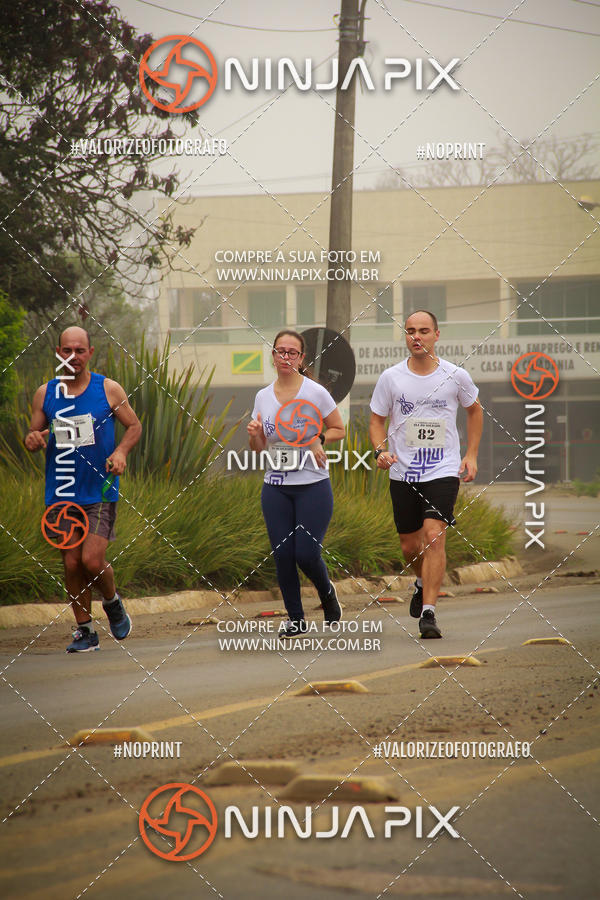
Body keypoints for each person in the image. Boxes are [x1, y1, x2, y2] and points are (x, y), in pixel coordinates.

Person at [24, 326, 142, 652]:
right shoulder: (45, 394)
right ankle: (85, 631)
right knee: (72, 563)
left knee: (91, 560)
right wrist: (32, 440)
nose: (73, 356)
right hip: (62, 493)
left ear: (90, 353)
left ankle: (112, 601)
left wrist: (121, 452)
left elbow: (134, 425)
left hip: (100, 491)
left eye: (80, 350)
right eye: (67, 350)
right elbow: (34, 436)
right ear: (59, 353)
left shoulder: (108, 389)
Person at [369, 310, 483, 639]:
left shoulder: (455, 375)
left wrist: (471, 455)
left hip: (442, 468)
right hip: (403, 470)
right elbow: (376, 421)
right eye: (410, 331)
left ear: (436, 335)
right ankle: (420, 581)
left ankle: (429, 613)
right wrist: (380, 451)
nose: (416, 337)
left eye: (423, 331)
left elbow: (475, 411)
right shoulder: (391, 378)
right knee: (409, 546)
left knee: (434, 535)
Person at [248, 329, 346, 637]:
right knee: (282, 554)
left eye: (292, 352)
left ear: (301, 358)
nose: (286, 357)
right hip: (276, 485)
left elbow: (339, 428)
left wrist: (318, 439)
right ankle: (296, 618)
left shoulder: (315, 392)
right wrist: (255, 435)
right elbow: (259, 448)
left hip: (312, 485)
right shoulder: (262, 397)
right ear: (273, 355)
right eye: (281, 351)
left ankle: (327, 593)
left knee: (305, 553)